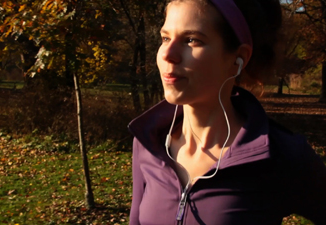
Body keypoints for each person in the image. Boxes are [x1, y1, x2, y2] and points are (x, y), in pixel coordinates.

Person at [127, 0, 326, 224]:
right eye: (165, 38)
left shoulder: (282, 155)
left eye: (191, 40)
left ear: (237, 58)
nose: (167, 54)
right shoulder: (148, 142)